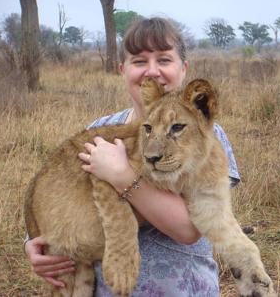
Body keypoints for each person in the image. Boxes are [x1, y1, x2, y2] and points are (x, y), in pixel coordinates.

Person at [24, 17, 241, 296]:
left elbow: (190, 229)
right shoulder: (101, 129)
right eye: (139, 61)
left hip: (181, 287)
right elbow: (54, 193)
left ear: (183, 68)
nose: (151, 72)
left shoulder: (204, 133)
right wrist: (34, 242)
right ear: (122, 69)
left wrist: (121, 176)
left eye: (164, 60)